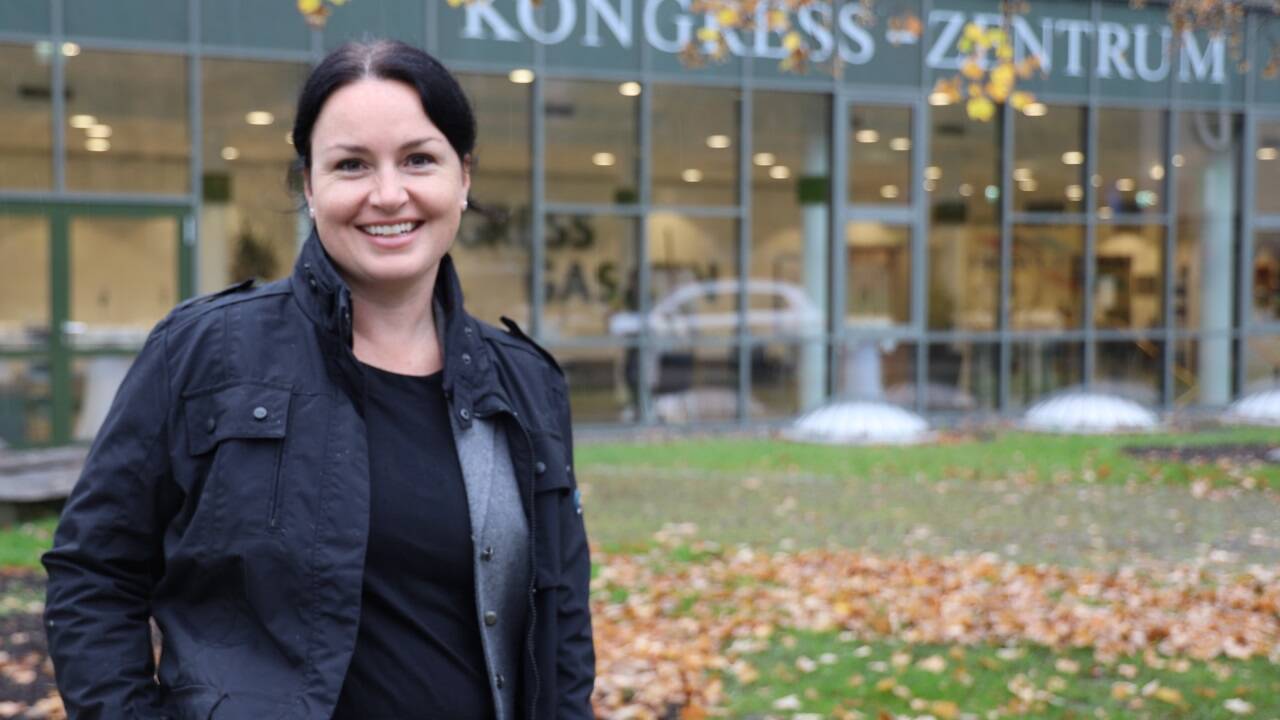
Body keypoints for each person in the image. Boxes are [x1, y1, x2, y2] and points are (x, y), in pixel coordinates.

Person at [43, 39, 595, 720]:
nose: (388, 194)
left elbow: (561, 623)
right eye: (351, 164)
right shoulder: (205, 351)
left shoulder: (527, 384)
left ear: (464, 176)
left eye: (419, 159)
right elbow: (96, 573)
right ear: (310, 184)